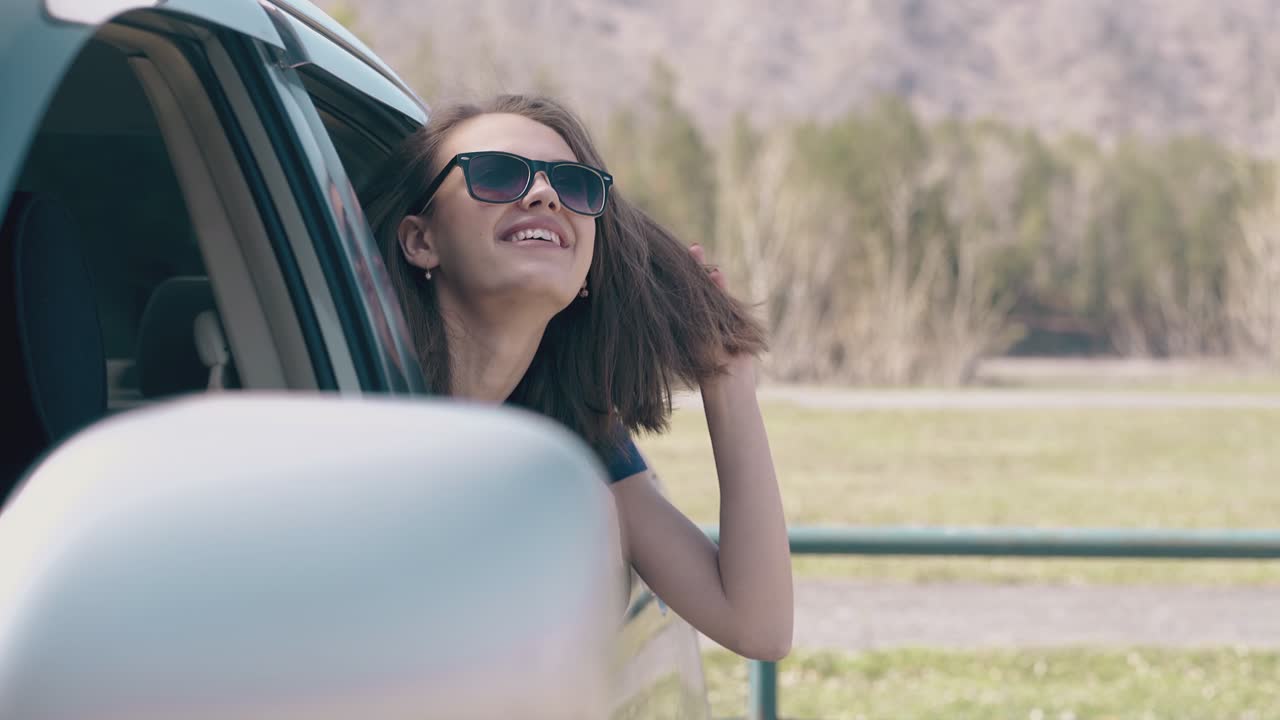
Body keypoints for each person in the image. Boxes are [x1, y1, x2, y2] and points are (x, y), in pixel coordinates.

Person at [361, 94, 792, 661]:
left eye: (574, 186)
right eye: (495, 174)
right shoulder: (357, 401)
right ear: (422, 240)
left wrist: (727, 376)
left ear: (588, 262)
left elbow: (757, 628)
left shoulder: (575, 437)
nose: (544, 194)